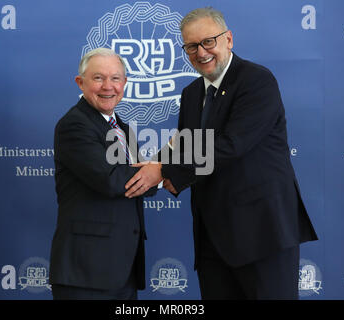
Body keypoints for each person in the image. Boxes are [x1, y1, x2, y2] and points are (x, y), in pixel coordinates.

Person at [125, 7, 318, 299]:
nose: (201, 52)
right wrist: (157, 162)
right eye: (191, 46)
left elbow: (230, 145)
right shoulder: (191, 93)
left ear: (228, 39)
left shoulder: (256, 81)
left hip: (262, 234)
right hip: (213, 238)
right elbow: (185, 142)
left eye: (208, 42)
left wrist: (164, 172)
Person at [49, 48, 156, 300]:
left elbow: (140, 181)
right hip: (86, 272)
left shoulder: (123, 127)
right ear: (81, 82)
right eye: (98, 78)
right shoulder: (74, 125)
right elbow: (111, 180)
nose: (108, 86)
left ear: (125, 83)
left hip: (122, 268)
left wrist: (153, 174)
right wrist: (157, 173)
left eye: (116, 78)